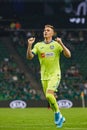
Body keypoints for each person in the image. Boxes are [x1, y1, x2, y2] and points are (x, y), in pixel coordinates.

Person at [27, 24, 71, 128]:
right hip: (44, 76)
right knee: (50, 100)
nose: (45, 32)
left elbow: (68, 55)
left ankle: (57, 114)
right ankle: (60, 116)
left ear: (52, 33)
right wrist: (29, 45)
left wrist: (61, 43)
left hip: (55, 74)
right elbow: (29, 57)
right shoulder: (38, 45)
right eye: (44, 30)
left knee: (48, 95)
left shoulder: (56, 44)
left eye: (48, 30)